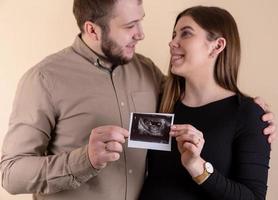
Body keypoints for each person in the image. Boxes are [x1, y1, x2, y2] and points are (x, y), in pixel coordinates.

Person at [0, 1, 275, 200]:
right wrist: (84, 160)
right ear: (93, 30)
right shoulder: (44, 79)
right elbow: (10, 175)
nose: (141, 33)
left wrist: (253, 110)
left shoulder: (149, 73)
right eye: (131, 25)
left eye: (140, 20)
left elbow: (205, 101)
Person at [139, 6, 272, 200]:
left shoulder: (248, 114)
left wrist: (197, 166)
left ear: (217, 46)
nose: (172, 42)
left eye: (185, 34)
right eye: (174, 34)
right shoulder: (159, 102)